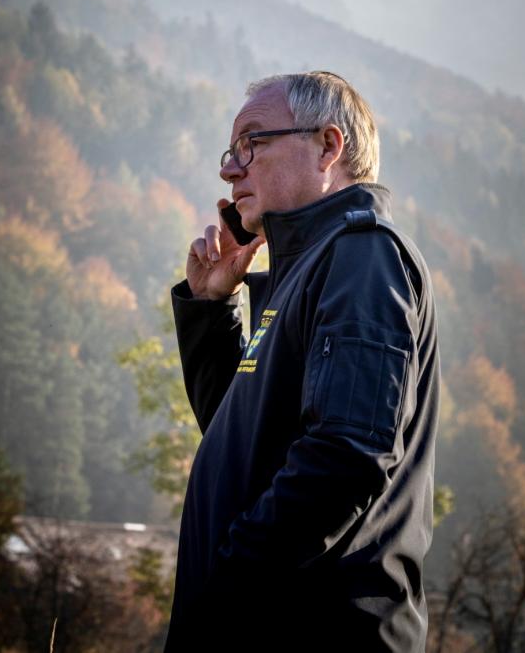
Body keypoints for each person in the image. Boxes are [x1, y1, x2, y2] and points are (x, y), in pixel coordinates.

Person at [164, 72, 440, 652]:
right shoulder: (307, 271)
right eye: (231, 151)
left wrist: (225, 589)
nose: (229, 169)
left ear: (328, 147)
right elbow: (245, 440)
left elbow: (346, 454)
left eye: (252, 144)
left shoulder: (363, 256)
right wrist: (212, 310)